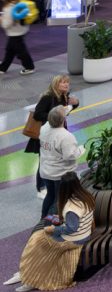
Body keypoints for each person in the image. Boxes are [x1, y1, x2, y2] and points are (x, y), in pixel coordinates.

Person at [25, 76, 75, 209]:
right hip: (46, 133)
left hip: (58, 133)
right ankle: (40, 187)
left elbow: (66, 111)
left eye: (67, 82)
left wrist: (75, 104)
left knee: (55, 159)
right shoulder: (48, 97)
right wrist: (54, 116)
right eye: (63, 82)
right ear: (56, 84)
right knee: (44, 160)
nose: (66, 85)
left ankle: (54, 185)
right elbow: (37, 114)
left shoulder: (64, 96)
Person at [38, 106, 84, 223]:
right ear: (63, 120)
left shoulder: (44, 128)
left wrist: (69, 107)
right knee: (59, 199)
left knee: (50, 195)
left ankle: (42, 218)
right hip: (60, 174)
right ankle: (49, 222)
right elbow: (69, 155)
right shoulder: (65, 136)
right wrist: (81, 149)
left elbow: (57, 114)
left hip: (46, 171)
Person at [0, 0, 35, 73]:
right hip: (21, 31)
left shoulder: (8, 9)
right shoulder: (17, 3)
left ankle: (29, 67)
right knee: (10, 51)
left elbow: (6, 24)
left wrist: (0, 19)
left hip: (15, 33)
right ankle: (3, 68)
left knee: (21, 52)